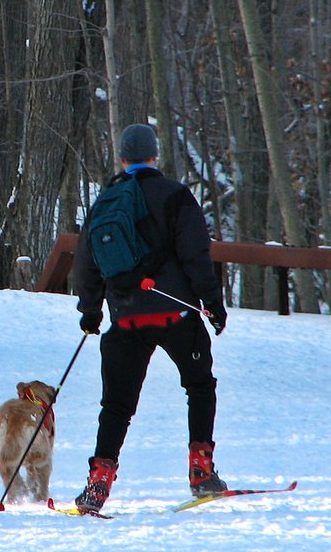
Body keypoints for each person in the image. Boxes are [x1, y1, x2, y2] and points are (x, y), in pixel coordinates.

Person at [71, 124, 229, 513]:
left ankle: (98, 482)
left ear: (122, 158)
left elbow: (87, 263)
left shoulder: (105, 201)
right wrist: (212, 303)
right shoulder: (175, 196)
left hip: (126, 318)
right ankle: (200, 470)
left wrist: (91, 312)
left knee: (116, 406)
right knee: (200, 386)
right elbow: (196, 254)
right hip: (176, 313)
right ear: (155, 156)